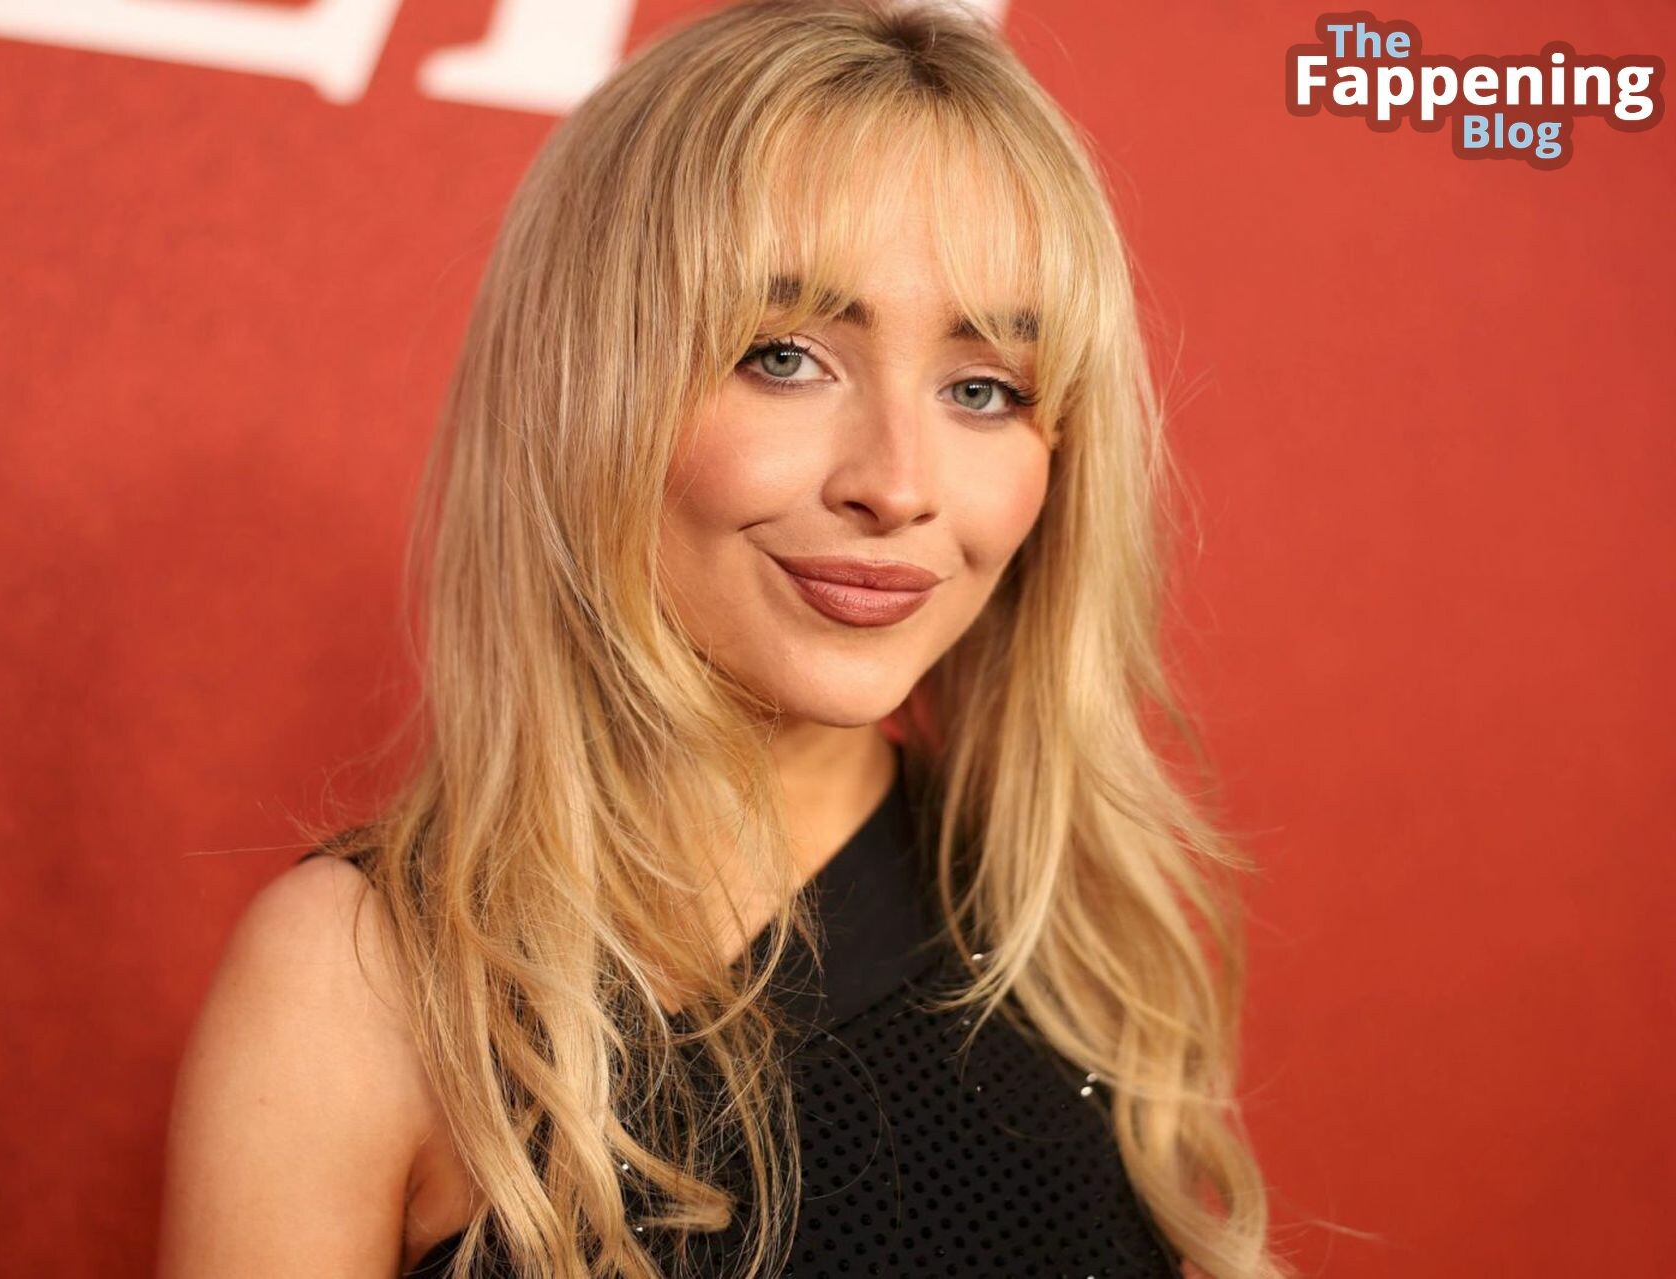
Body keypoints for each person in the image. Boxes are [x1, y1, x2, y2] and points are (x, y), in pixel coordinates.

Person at [156, 2, 1289, 1276]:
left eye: (983, 389)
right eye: (784, 358)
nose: (896, 484)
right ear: (589, 387)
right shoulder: (362, 981)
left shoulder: (1074, 935)